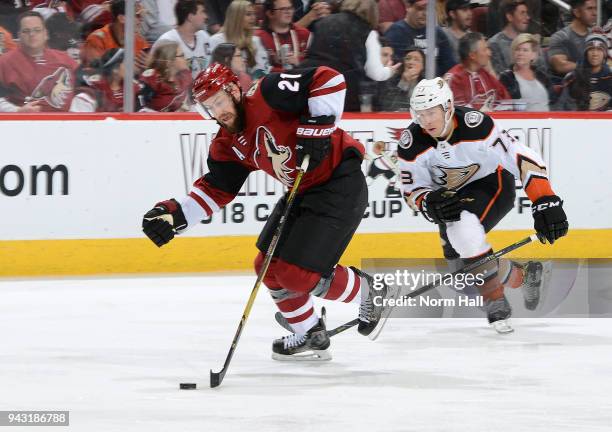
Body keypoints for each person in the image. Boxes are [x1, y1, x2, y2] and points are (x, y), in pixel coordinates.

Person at [141, 63, 399, 360]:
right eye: (210, 107)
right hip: (302, 191)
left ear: (234, 91)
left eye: (220, 102)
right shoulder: (226, 143)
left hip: (339, 182)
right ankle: (310, 334)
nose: (217, 112)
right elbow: (215, 190)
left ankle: (373, 291)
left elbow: (329, 79)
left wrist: (318, 128)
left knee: (296, 275)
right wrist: (174, 217)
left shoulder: (268, 94)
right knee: (267, 265)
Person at [397, 77, 568, 333]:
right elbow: (411, 188)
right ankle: (524, 275)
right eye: (420, 114)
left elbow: (519, 155)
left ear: (448, 107)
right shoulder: (412, 143)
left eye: (431, 112)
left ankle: (495, 301)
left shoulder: (476, 125)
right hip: (451, 197)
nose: (426, 120)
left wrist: (544, 199)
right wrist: (428, 201)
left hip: (492, 185)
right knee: (461, 266)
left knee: (463, 230)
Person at [300, 0, 399, 112]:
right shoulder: (367, 32)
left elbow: (309, 51)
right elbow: (374, 72)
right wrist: (389, 71)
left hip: (313, 82)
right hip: (344, 90)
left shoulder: (321, 22)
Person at [0, 11, 78, 112]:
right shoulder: (4, 62)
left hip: (71, 122)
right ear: (19, 35)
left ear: (45, 34)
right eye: (26, 31)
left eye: (37, 30)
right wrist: (17, 111)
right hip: (25, 124)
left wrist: (77, 113)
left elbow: (87, 89)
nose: (32, 34)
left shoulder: (65, 59)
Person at [384, 0, 457, 76]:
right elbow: (397, 68)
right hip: (409, 84)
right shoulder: (396, 32)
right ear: (408, 7)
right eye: (420, 9)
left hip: (436, 84)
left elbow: (450, 66)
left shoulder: (437, 33)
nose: (425, 13)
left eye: (429, 9)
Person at [445, 32, 511, 111]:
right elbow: (459, 114)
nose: (489, 53)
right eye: (485, 49)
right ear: (472, 55)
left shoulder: (485, 74)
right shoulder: (454, 79)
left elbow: (507, 102)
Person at [81, 0, 149, 72]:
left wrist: (148, 65)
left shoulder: (139, 41)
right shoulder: (97, 40)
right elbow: (93, 76)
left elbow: (146, 71)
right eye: (137, 16)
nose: (141, 19)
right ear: (122, 18)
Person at [209, 0, 270, 79]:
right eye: (248, 14)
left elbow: (262, 70)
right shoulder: (217, 40)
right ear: (236, 17)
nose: (253, 18)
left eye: (254, 14)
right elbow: (213, 71)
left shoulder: (255, 41)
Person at [153, 0, 211, 78]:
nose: (206, 17)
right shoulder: (167, 40)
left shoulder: (205, 37)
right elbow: (153, 72)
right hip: (176, 89)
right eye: (202, 12)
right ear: (190, 17)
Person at [70, 48, 140, 112]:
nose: (133, 68)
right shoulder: (89, 94)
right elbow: (79, 124)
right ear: (115, 69)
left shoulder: (135, 89)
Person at [499, 33, 555, 111]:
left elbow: (552, 101)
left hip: (547, 120)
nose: (520, 53)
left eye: (525, 50)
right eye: (517, 49)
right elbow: (504, 107)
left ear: (533, 55)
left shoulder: (541, 76)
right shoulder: (507, 77)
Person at [559, 32, 612, 111]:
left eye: (599, 49)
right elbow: (562, 107)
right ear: (585, 53)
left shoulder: (610, 78)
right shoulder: (572, 78)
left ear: (604, 54)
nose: (595, 54)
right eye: (591, 49)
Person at [548, 0, 597, 82]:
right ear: (577, 12)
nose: (595, 13)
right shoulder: (560, 37)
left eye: (595, 8)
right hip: (573, 88)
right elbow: (560, 65)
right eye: (589, 8)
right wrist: (591, 69)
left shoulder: (595, 35)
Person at [256, 0, 311, 73]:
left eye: (290, 8)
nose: (288, 12)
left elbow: (313, 62)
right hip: (272, 82)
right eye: (283, 9)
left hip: (302, 80)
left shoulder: (304, 34)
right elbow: (260, 70)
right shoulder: (259, 38)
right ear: (270, 13)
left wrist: (299, 63)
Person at [138, 41, 192, 112]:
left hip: (179, 121)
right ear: (169, 61)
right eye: (182, 55)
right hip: (153, 121)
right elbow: (141, 106)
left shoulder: (185, 77)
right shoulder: (152, 77)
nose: (186, 58)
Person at [488, 0, 532, 75]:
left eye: (526, 13)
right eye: (522, 13)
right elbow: (501, 78)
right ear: (510, 17)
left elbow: (542, 70)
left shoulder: (530, 41)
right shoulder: (494, 44)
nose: (528, 17)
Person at [375, 46, 425, 111]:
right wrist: (404, 83)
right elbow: (389, 108)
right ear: (403, 63)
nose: (411, 62)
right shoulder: (391, 81)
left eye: (416, 59)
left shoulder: (427, 84)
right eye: (408, 58)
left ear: (423, 66)